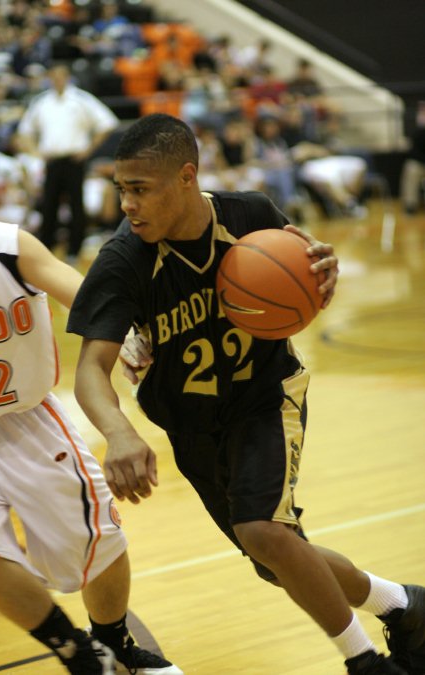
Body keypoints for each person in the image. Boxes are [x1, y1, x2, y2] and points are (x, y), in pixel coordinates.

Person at [67, 113, 425, 675]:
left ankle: (366, 664)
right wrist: (118, 432)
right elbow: (91, 368)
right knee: (276, 559)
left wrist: (319, 278)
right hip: (191, 424)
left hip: (265, 395)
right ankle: (403, 605)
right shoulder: (125, 259)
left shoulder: (252, 214)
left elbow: (301, 279)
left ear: (187, 177)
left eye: (140, 190)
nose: (127, 205)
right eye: (121, 190)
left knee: (264, 531)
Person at [0, 216, 182, 675]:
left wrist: (124, 335)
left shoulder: (8, 247)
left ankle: (114, 641)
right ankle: (80, 656)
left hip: (25, 421)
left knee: (100, 543)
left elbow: (86, 297)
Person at [16, 63, 119, 262]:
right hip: (52, 160)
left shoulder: (80, 99)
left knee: (76, 205)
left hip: (74, 159)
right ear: (50, 77)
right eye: (53, 76)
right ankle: (46, 249)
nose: (57, 79)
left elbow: (107, 123)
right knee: (49, 205)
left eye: (60, 76)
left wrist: (88, 149)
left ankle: (74, 250)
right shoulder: (42, 102)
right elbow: (25, 130)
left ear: (67, 77)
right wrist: (36, 153)